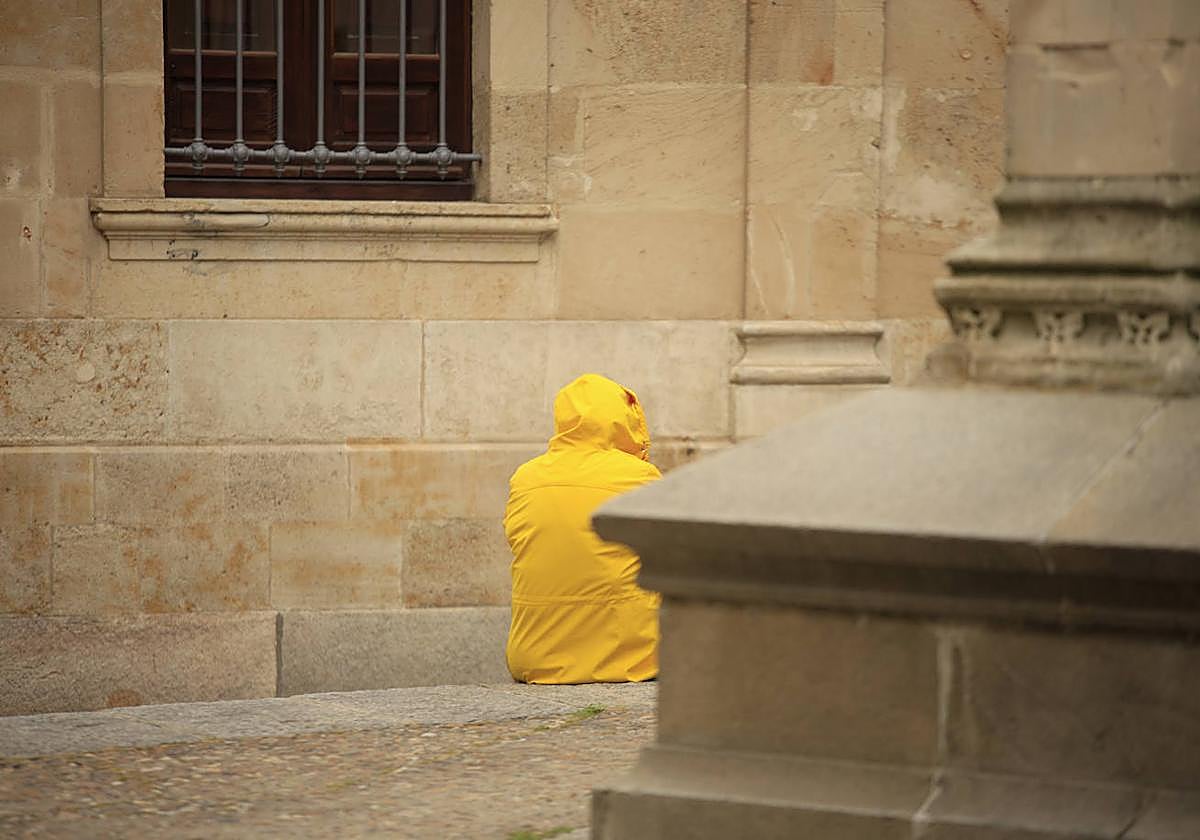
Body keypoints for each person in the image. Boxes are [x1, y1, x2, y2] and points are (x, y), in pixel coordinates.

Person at [504, 374, 662, 684]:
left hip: (535, 659)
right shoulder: (640, 477)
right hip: (632, 659)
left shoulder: (525, 478)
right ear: (626, 420)